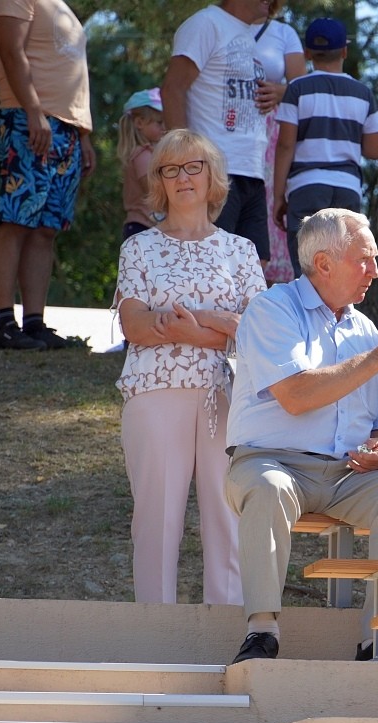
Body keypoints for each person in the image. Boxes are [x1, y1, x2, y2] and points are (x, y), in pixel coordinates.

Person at [224, 208, 378, 664]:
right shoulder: (271, 309)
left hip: (347, 474)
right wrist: (377, 360)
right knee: (269, 488)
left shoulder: (365, 328)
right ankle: (261, 632)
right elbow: (296, 394)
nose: (375, 271)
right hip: (270, 461)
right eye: (365, 259)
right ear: (323, 263)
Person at [116, 129, 266, 606]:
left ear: (211, 176)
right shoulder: (138, 247)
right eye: (170, 169)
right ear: (158, 180)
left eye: (193, 166)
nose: (182, 178)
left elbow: (256, 330)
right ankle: (154, 632)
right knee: (157, 519)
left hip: (227, 396)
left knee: (228, 518)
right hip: (155, 391)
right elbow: (133, 324)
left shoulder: (241, 250)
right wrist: (212, 325)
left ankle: (226, 631)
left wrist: (187, 323)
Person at [0, 0, 96, 351]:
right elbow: (10, 49)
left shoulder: (60, 5)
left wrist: (83, 135)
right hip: (27, 118)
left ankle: (35, 323)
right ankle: (4, 324)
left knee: (47, 227)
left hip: (65, 129)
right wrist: (33, 111)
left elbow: (72, 76)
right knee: (16, 218)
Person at [162, 0, 271, 270]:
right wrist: (182, 160)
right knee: (209, 264)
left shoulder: (245, 33)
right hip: (215, 167)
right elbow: (172, 89)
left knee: (255, 266)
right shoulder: (206, 24)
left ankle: (242, 316)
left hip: (252, 170)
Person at [273, 17, 378, 270]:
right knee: (343, 266)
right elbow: (374, 150)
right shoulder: (363, 93)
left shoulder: (297, 89)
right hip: (347, 189)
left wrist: (278, 196)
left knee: (307, 268)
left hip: (306, 187)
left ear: (308, 53)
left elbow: (286, 145)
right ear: (344, 51)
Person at [251, 0, 306, 284]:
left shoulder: (283, 33)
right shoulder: (219, 27)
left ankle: (271, 282)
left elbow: (302, 88)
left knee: (270, 200)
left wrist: (280, 90)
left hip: (272, 134)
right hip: (229, 135)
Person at [117, 88, 166, 242]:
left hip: (147, 228)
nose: (164, 127)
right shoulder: (142, 155)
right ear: (139, 123)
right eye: (159, 122)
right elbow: (153, 189)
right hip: (143, 227)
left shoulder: (148, 153)